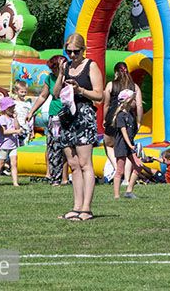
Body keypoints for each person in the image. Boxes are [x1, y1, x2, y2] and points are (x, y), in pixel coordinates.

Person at [54, 33, 104, 221]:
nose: (72, 55)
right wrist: (60, 74)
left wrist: (80, 90)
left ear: (83, 50)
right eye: (69, 52)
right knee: (74, 165)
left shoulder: (91, 66)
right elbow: (56, 94)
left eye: (76, 52)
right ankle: (76, 206)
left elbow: (100, 96)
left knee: (85, 164)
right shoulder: (66, 66)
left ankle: (86, 208)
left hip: (84, 115)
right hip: (68, 116)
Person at [28, 55, 68, 186]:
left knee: (67, 147)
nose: (52, 71)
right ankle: (55, 177)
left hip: (68, 115)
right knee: (53, 146)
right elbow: (43, 96)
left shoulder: (69, 78)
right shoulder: (49, 78)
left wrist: (62, 74)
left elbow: (60, 93)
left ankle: (65, 177)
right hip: (54, 115)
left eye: (54, 68)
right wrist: (31, 111)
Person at [101, 62, 143, 182]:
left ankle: (117, 168)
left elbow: (106, 105)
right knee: (128, 148)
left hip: (113, 118)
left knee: (109, 145)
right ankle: (127, 178)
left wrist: (104, 119)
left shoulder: (110, 85)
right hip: (129, 119)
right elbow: (139, 106)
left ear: (115, 73)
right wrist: (139, 121)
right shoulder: (134, 86)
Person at [111, 89, 142, 199]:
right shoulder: (120, 115)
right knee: (120, 170)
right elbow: (123, 132)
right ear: (127, 101)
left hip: (130, 145)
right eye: (133, 100)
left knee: (138, 166)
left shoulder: (131, 115)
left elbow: (131, 132)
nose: (135, 102)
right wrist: (130, 145)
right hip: (122, 145)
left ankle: (129, 191)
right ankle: (116, 195)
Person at [0, 97, 21, 186]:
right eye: (10, 107)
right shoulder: (2, 119)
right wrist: (16, 132)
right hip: (4, 145)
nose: (12, 109)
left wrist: (16, 118)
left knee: (14, 163)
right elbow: (4, 132)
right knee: (1, 164)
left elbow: (17, 127)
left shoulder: (12, 118)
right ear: (5, 109)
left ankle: (15, 182)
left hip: (13, 145)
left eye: (13, 107)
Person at [12, 80, 33, 146]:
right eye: (21, 92)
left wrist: (32, 130)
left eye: (25, 92)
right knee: (15, 146)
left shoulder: (28, 104)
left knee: (24, 146)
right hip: (15, 127)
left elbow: (31, 118)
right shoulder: (13, 103)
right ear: (16, 91)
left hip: (25, 128)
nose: (23, 94)